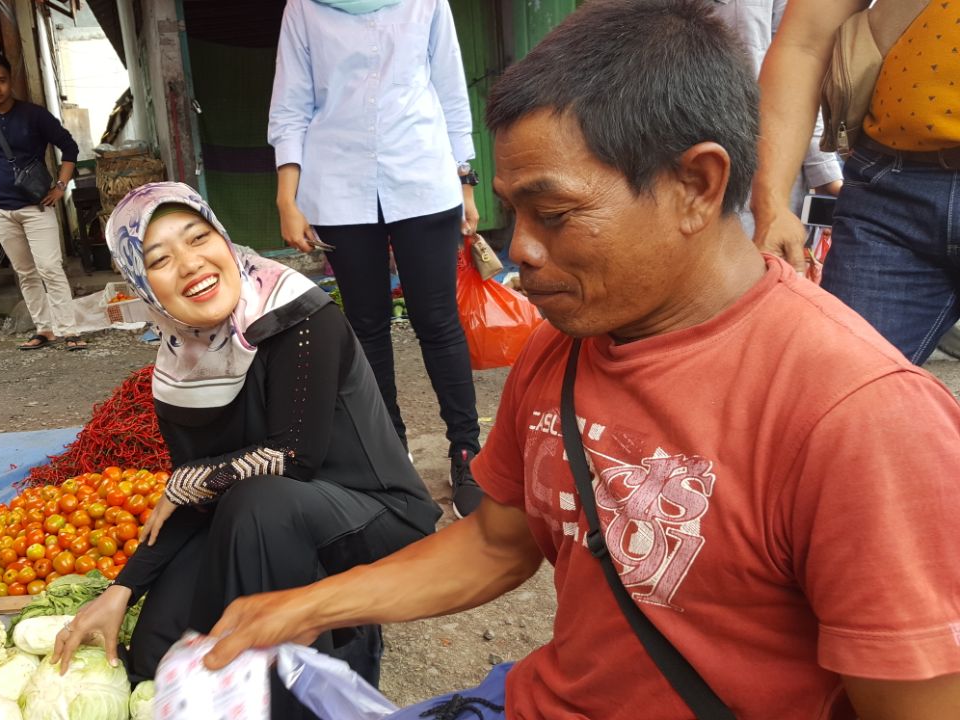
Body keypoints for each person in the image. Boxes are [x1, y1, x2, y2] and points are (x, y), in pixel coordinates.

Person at [201, 1, 960, 717]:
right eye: (514, 212)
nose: (520, 250)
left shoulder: (862, 418)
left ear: (697, 184)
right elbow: (500, 542)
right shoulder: (564, 344)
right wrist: (305, 604)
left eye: (555, 214)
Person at [50, 182, 441, 720]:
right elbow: (197, 492)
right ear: (144, 286)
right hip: (264, 516)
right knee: (158, 649)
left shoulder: (296, 312)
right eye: (161, 259)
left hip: (374, 513)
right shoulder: (178, 365)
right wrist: (123, 590)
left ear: (223, 238)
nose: (190, 265)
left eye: (198, 237)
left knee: (261, 504)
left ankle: (309, 693)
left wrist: (187, 483)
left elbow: (291, 457)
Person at [268, 0, 484, 517]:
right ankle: (390, 450)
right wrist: (286, 196)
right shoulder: (304, 8)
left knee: (438, 320)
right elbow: (292, 103)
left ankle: (467, 451)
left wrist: (466, 184)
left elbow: (451, 90)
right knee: (365, 325)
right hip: (339, 183)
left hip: (423, 176)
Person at [753, 0, 959, 364]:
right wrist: (770, 201)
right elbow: (804, 42)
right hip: (890, 193)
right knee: (821, 389)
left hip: (887, 188)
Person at [0, 52, 85, 351]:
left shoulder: (34, 115)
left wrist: (61, 186)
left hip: (38, 207)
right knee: (25, 272)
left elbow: (69, 148)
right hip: (1, 209)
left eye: (1, 80)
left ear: (10, 81)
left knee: (50, 268)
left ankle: (68, 330)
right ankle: (44, 329)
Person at [709, 0, 844, 238]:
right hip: (666, 152)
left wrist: (825, 172)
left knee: (764, 263)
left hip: (763, 161)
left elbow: (802, 69)